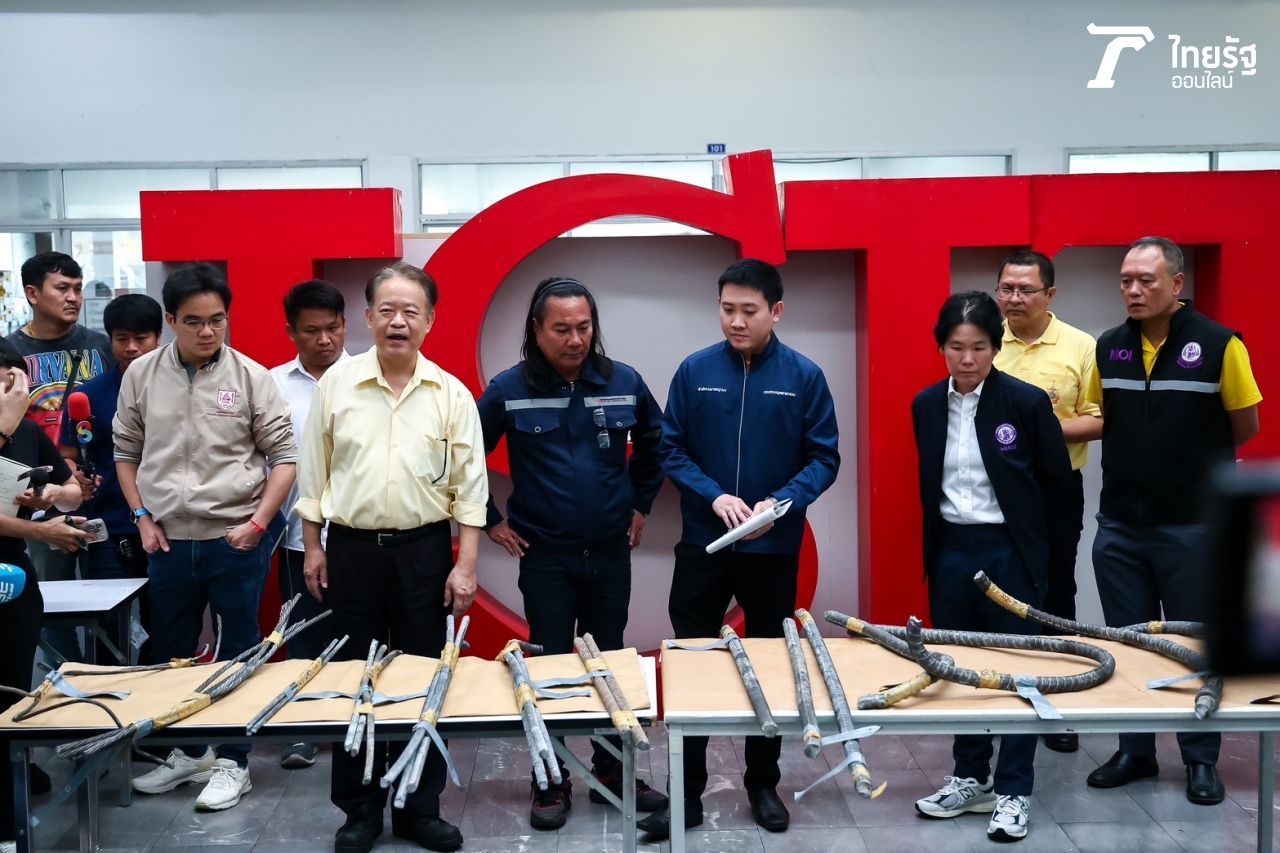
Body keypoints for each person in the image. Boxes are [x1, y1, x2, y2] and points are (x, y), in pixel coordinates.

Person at [641, 258, 840, 840]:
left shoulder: (804, 376)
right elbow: (670, 450)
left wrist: (779, 503)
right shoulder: (695, 370)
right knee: (691, 664)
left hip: (772, 548)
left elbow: (824, 458)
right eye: (727, 309)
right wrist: (714, 496)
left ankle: (762, 785)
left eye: (748, 311)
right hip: (703, 545)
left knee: (771, 665)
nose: (736, 321)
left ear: (775, 312)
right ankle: (687, 794)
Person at [297, 262, 487, 853]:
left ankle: (417, 809)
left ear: (430, 321)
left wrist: (466, 564)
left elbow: (471, 490)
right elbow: (313, 473)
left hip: (425, 553)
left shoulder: (450, 394)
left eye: (410, 312)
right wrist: (312, 545)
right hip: (350, 551)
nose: (397, 322)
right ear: (368, 317)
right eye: (386, 310)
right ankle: (359, 810)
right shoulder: (336, 385)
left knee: (421, 680)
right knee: (353, 679)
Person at [477, 277, 667, 830]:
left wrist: (641, 504)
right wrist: (490, 521)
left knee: (609, 662)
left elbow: (656, 443)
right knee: (552, 669)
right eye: (561, 329)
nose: (575, 339)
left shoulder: (623, 381)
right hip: (546, 558)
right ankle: (550, 778)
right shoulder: (508, 389)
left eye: (584, 327)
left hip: (610, 552)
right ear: (537, 330)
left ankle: (611, 771)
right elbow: (464, 458)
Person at [1084, 236, 1262, 805]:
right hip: (1119, 525)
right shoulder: (1109, 347)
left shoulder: (1220, 345)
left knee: (1192, 642)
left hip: (1192, 526)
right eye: (1126, 281)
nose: (1133, 290)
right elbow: (1106, 416)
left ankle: (1199, 758)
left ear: (1177, 284)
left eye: (1147, 280)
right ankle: (1135, 751)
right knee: (1129, 643)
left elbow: (1246, 425)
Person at [115, 263, 297, 812]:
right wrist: (142, 517)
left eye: (217, 320)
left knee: (238, 649)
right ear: (170, 320)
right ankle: (186, 752)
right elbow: (125, 453)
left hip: (233, 538)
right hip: (167, 541)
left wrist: (258, 523)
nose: (207, 331)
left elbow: (285, 458)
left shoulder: (250, 377)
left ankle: (233, 762)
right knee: (170, 651)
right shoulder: (142, 374)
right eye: (193, 321)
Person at [911, 291, 1073, 843]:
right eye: (956, 347)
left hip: (1011, 551)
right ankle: (969, 778)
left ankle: (1014, 790)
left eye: (979, 347)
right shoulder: (926, 405)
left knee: (1017, 671)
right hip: (952, 549)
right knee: (957, 669)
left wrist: (1048, 565)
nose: (968, 359)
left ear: (995, 348)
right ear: (941, 347)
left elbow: (1057, 487)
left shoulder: (1025, 403)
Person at [991, 249, 1102, 754]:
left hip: (1056, 488)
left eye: (1026, 290)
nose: (1014, 298)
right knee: (1000, 592)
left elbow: (1099, 418)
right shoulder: (986, 342)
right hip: (995, 491)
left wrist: (1040, 432)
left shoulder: (1081, 345)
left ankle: (1058, 705)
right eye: (1006, 289)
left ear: (1050, 294)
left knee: (1056, 590)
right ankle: (1000, 699)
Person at [0, 336, 91, 853]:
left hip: (14, 578)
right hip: (23, 550)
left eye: (16, 384)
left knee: (14, 688)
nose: (12, 393)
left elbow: (72, 488)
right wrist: (42, 532)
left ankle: (11, 802)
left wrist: (59, 494)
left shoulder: (30, 433)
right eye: (4, 385)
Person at [12, 251, 112, 664]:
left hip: (100, 492)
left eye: (78, 288)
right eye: (62, 288)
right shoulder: (11, 352)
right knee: (50, 603)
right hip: (37, 499)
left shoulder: (100, 345)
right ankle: (66, 680)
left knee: (111, 599)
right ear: (32, 293)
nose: (73, 297)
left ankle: (112, 678)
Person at [268, 279, 348, 770]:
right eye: (312, 331)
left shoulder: (367, 377)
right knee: (301, 632)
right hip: (297, 536)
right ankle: (302, 729)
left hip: (359, 536)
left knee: (358, 633)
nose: (324, 340)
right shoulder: (272, 385)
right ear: (291, 332)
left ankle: (352, 723)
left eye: (333, 328)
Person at [58, 294, 163, 661]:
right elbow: (67, 455)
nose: (131, 347)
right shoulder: (89, 395)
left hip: (169, 526)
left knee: (164, 628)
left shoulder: (181, 390)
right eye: (121, 339)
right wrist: (76, 477)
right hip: (108, 529)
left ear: (159, 337)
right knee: (106, 632)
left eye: (141, 338)